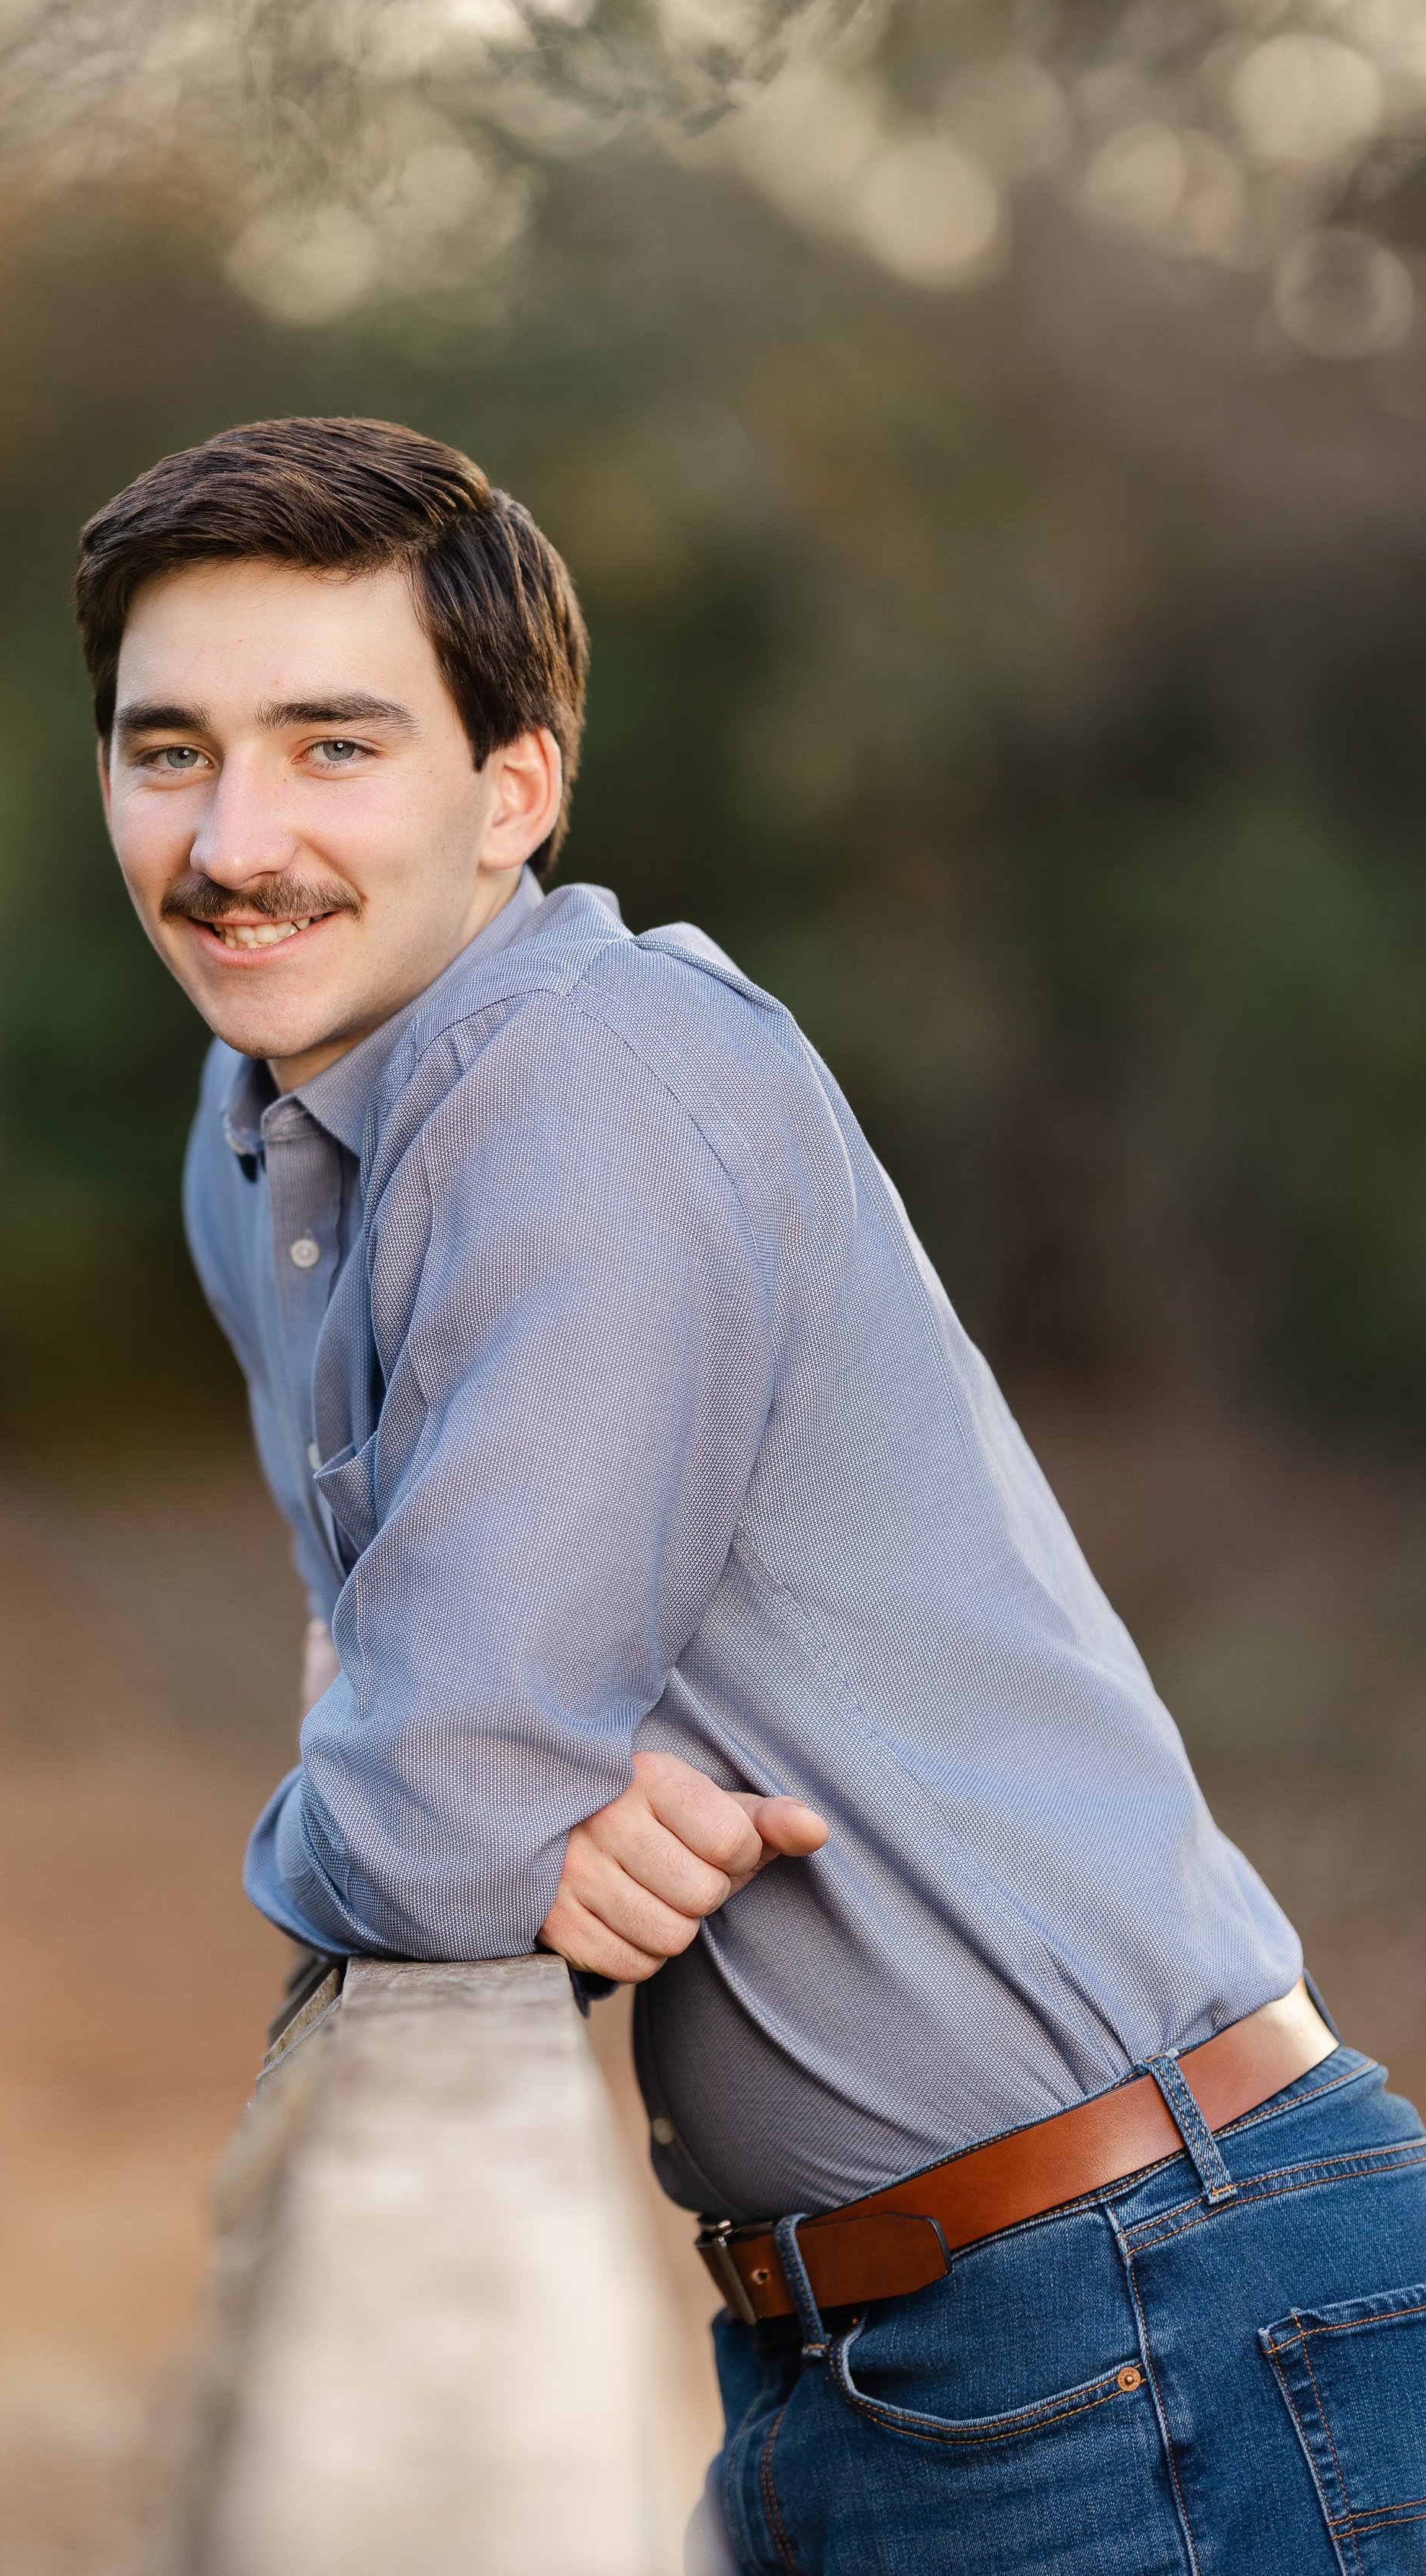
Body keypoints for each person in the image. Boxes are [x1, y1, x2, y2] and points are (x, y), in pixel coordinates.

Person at [75, 416, 1426, 2574]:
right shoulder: (262, 1141)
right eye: (170, 753)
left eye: (333, 746)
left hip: (1164, 2314)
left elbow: (431, 1810)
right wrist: (486, 1771)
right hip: (858, 2353)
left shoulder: (590, 1079)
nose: (234, 836)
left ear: (511, 789)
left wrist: (473, 1780)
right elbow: (412, 1704)